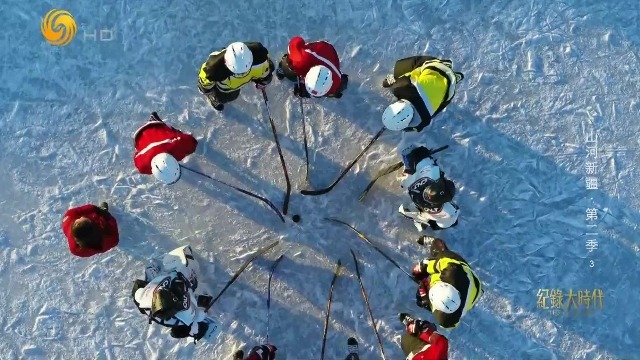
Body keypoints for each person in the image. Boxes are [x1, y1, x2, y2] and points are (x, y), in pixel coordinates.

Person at [131, 245, 220, 343]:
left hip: (160, 284)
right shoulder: (185, 316)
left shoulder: (145, 299)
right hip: (170, 288)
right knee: (191, 282)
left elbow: (138, 289)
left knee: (189, 281)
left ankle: (153, 270)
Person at [412, 236, 483, 329]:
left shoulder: (445, 320)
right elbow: (441, 263)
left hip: (473, 290)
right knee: (440, 255)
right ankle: (434, 243)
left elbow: (450, 323)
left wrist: (427, 302)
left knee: (420, 300)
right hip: (462, 271)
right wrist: (424, 266)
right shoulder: (452, 272)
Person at [381, 55, 463, 132]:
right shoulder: (400, 88)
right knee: (399, 68)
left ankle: (454, 78)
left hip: (450, 88)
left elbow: (418, 128)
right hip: (436, 68)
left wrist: (412, 128)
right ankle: (447, 70)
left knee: (437, 106)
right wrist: (387, 83)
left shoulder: (425, 120)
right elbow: (406, 76)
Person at [397, 144, 459, 231]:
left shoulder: (427, 180)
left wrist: (407, 177)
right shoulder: (447, 210)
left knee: (412, 154)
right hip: (428, 213)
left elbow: (404, 184)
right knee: (416, 154)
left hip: (423, 209)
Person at [198, 42, 275, 111]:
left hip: (233, 84)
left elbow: (265, 68)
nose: (242, 75)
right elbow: (205, 80)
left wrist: (264, 80)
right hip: (226, 89)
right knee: (227, 98)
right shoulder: (213, 70)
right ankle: (215, 97)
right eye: (238, 73)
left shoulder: (260, 55)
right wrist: (206, 90)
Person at [133, 112, 198, 185]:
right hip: (140, 136)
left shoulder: (176, 145)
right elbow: (136, 155)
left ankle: (155, 121)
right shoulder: (142, 166)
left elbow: (191, 141)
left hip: (150, 129)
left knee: (185, 148)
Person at [276, 36, 348, 98]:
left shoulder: (335, 81)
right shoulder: (302, 60)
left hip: (329, 57)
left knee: (336, 89)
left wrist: (304, 90)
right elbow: (296, 42)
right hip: (321, 50)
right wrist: (290, 58)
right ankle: (282, 69)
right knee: (288, 68)